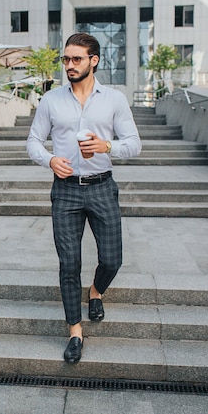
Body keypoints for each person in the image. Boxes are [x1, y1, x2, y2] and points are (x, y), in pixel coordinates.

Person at [26, 33, 142, 363]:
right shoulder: (51, 100)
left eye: (76, 59)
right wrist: (49, 159)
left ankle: (95, 292)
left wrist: (108, 146)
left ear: (94, 60)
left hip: (102, 185)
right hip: (65, 191)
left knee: (112, 259)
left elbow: (134, 144)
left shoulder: (114, 100)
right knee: (69, 264)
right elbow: (33, 141)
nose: (69, 65)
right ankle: (75, 332)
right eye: (66, 59)